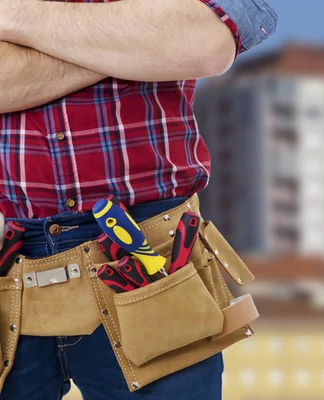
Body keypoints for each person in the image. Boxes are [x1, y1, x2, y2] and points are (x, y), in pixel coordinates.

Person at [0, 0, 277, 399]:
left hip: (152, 251)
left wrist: (13, 18)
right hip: (11, 263)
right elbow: (180, 42)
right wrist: (135, 47)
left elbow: (201, 42)